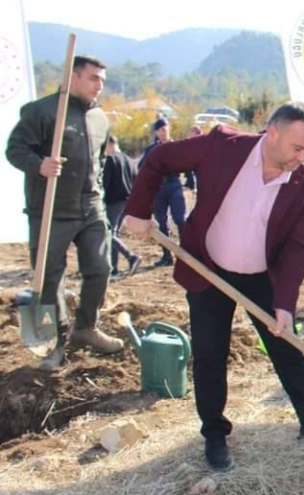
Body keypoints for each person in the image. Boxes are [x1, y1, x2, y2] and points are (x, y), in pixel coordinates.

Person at [122, 103, 304, 472]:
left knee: (286, 346)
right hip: (208, 269)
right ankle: (215, 436)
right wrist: (139, 209)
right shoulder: (221, 146)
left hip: (261, 277)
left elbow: (296, 248)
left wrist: (285, 304)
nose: (303, 156)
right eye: (298, 147)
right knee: (211, 354)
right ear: (272, 132)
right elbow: (159, 159)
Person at [6, 55, 124, 370]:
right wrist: (39, 165)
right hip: (50, 211)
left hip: (90, 208)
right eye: (93, 78)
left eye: (102, 79)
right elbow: (15, 149)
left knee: (100, 268)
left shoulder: (99, 118)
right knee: (49, 279)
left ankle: (85, 328)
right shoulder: (42, 112)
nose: (100, 85)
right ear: (73, 77)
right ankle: (52, 343)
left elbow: (98, 163)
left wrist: (97, 193)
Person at [141, 118, 195, 267]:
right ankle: (167, 256)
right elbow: (143, 169)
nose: (162, 132)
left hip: (174, 186)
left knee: (180, 219)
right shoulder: (151, 150)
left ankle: (185, 254)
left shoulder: (177, 146)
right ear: (156, 132)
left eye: (165, 129)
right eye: (159, 130)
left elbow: (188, 164)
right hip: (159, 189)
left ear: (168, 129)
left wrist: (191, 183)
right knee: (161, 223)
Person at [101, 135, 141, 278]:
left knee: (109, 233)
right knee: (114, 233)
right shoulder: (130, 160)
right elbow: (137, 180)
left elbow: (105, 183)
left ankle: (130, 257)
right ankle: (114, 269)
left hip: (114, 201)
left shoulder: (111, 159)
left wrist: (101, 199)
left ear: (109, 144)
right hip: (128, 200)